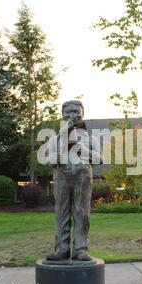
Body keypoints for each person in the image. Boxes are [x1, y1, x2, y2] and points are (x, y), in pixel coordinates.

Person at [46, 100, 101, 261]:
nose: (72, 115)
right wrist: (53, 158)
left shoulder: (91, 139)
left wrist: (77, 146)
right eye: (68, 112)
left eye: (76, 111)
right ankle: (61, 249)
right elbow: (48, 157)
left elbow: (98, 158)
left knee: (81, 213)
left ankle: (80, 249)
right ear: (62, 115)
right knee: (61, 213)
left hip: (82, 177)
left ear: (83, 113)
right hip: (62, 176)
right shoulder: (55, 139)